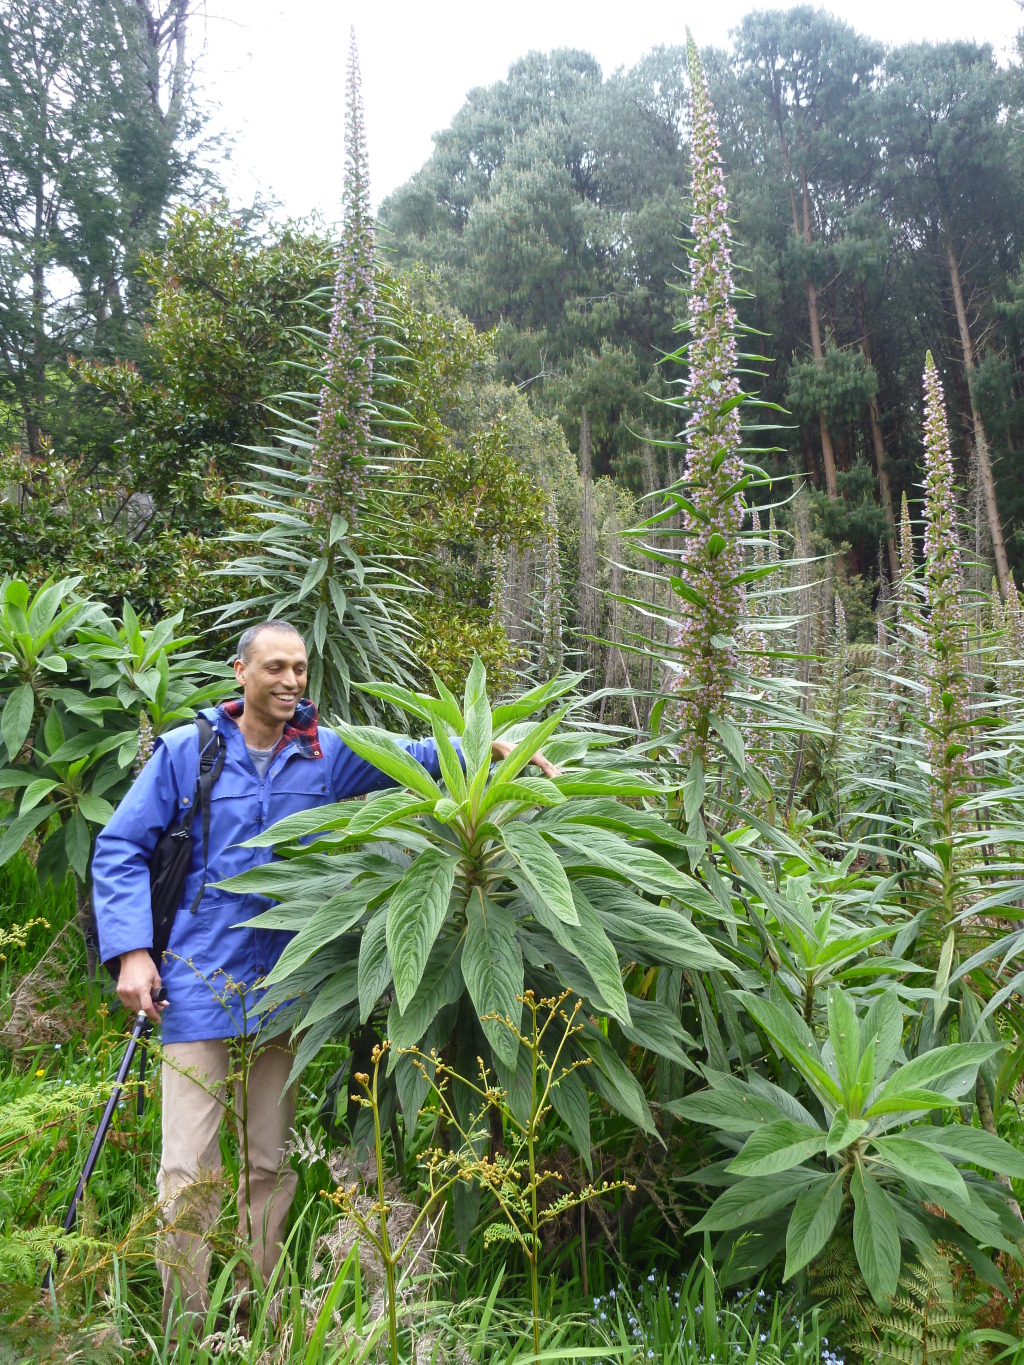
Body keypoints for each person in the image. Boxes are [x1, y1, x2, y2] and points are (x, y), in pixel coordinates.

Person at [91, 619, 555, 1326]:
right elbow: (120, 845)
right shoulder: (189, 754)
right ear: (240, 671)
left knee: (268, 1164)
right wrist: (132, 951)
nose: (290, 680)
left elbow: (416, 756)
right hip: (194, 978)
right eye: (274, 666)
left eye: (300, 668)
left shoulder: (325, 755)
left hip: (288, 984)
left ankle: (253, 1316)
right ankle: (185, 1326)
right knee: (188, 1168)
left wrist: (489, 750)